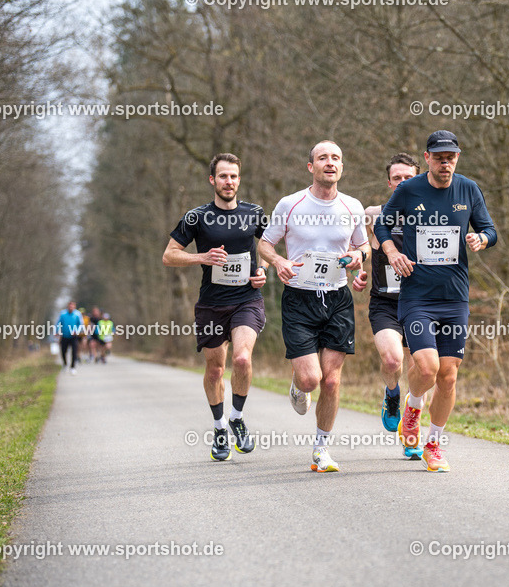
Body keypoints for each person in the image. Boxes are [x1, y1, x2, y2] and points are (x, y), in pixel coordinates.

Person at [374, 130, 498, 472]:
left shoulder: (468, 189)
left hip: (455, 296)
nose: (446, 163)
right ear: (426, 158)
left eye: (451, 157)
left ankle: (434, 445)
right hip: (417, 294)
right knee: (426, 367)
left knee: (448, 376)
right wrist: (392, 252)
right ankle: (412, 408)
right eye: (439, 157)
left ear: (457, 158)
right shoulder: (408, 189)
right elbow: (383, 224)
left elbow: (490, 229)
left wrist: (481, 239)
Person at [258, 140, 370, 473]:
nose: (330, 163)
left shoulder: (352, 206)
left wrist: (357, 258)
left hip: (337, 298)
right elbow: (265, 243)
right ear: (311, 167)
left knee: (332, 381)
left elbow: (364, 247)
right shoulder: (290, 204)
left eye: (336, 158)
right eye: (323, 158)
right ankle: (298, 383)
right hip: (299, 298)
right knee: (311, 381)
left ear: (342, 167)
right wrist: (278, 261)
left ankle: (321, 449)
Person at [163, 153, 268, 462]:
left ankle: (236, 417)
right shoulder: (197, 217)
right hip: (211, 304)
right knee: (215, 369)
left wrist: (262, 270)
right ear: (213, 180)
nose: (228, 182)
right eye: (223, 176)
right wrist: (202, 257)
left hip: (247, 300)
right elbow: (169, 255)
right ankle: (220, 428)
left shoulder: (254, 213)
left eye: (233, 176)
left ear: (239, 179)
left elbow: (267, 246)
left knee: (242, 359)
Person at [364, 153, 421, 458]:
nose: (402, 182)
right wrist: (359, 271)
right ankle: (392, 395)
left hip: (421, 304)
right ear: (389, 182)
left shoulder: (431, 214)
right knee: (391, 361)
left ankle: (410, 436)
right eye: (397, 178)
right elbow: (356, 246)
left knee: (421, 372)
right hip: (385, 303)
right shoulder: (373, 214)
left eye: (408, 177)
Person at [56, 300, 84, 375]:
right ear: (68, 306)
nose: (71, 307)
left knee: (74, 351)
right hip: (64, 336)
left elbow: (81, 325)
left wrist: (77, 331)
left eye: (72, 306)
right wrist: (57, 331)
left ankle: (72, 367)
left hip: (73, 336)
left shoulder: (77, 314)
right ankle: (65, 364)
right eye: (70, 306)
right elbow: (58, 323)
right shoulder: (63, 314)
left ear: (74, 307)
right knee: (63, 351)